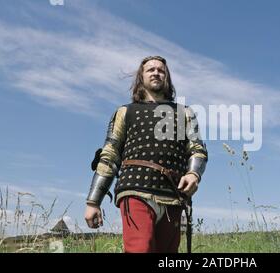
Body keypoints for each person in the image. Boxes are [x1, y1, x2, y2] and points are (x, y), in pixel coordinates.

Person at [84, 56, 208, 253]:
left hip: (173, 194)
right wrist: (93, 201)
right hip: (135, 190)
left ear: (167, 77)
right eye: (151, 70)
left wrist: (193, 174)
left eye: (161, 70)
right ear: (141, 77)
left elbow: (197, 149)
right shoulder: (125, 112)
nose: (156, 72)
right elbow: (110, 155)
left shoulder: (185, 113)